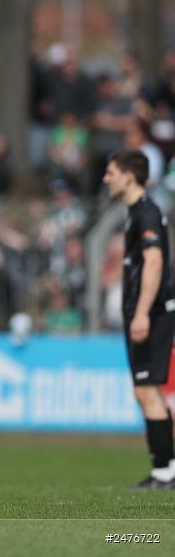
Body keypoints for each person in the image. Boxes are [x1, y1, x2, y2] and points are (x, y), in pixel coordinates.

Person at [102, 149, 175, 489]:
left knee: (148, 390)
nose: (106, 178)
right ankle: (165, 468)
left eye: (111, 172)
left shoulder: (146, 212)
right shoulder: (136, 213)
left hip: (154, 312)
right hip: (147, 311)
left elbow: (155, 262)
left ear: (128, 176)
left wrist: (143, 311)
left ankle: (165, 472)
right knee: (145, 391)